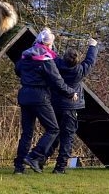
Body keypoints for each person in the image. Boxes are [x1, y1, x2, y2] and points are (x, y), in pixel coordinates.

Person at [13, 28, 79, 174]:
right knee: (53, 129)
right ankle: (34, 157)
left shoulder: (25, 55)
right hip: (40, 96)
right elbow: (57, 81)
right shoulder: (46, 59)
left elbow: (17, 70)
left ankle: (19, 167)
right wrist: (70, 93)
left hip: (24, 95)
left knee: (27, 133)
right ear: (49, 44)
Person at [46, 37, 99, 174]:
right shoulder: (79, 71)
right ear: (76, 61)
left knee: (52, 134)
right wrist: (92, 45)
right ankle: (60, 168)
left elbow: (52, 54)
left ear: (63, 58)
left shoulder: (56, 65)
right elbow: (90, 61)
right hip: (70, 108)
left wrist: (50, 42)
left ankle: (40, 160)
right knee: (67, 137)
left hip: (55, 105)